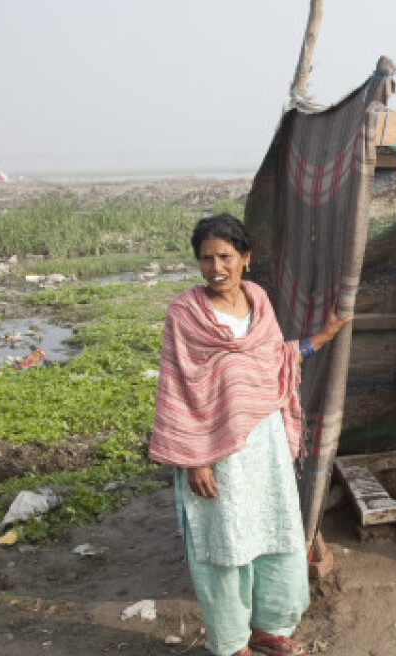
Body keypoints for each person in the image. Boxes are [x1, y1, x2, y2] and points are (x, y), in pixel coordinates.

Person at [149, 213, 350, 656]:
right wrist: (194, 459)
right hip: (214, 453)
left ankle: (268, 629)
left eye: (225, 256)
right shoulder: (185, 313)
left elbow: (274, 359)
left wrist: (324, 335)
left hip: (265, 444)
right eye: (206, 259)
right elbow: (177, 386)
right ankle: (232, 641)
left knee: (273, 531)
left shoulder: (258, 300)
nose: (215, 267)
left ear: (245, 258)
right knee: (226, 542)